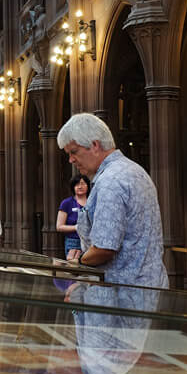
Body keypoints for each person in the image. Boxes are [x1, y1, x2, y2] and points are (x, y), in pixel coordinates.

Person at [56, 112, 168, 288]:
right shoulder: (133, 170)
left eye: (74, 152)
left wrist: (78, 263)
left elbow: (103, 249)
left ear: (94, 145)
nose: (71, 160)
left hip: (121, 295)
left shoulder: (110, 181)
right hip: (146, 286)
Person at [56, 174, 91, 261]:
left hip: (92, 241)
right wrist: (76, 228)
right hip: (73, 242)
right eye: (77, 184)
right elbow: (59, 227)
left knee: (90, 270)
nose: (80, 187)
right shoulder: (66, 203)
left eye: (83, 184)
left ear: (88, 186)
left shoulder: (93, 202)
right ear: (73, 187)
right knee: (75, 269)